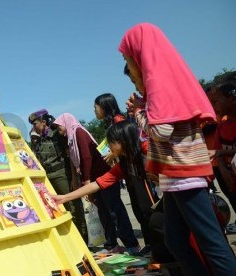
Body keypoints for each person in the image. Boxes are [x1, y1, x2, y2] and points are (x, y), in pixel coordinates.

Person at [120, 22, 236, 275]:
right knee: (176, 241)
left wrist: (138, 111)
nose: (129, 67)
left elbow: (161, 132)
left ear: (140, 57)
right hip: (176, 176)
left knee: (211, 243)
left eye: (128, 60)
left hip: (184, 173)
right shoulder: (163, 81)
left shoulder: (159, 82)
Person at [52, 113, 139, 254]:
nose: (107, 147)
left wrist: (86, 180)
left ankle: (132, 244)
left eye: (111, 142)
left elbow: (86, 157)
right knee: (104, 213)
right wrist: (64, 198)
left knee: (116, 212)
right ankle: (112, 245)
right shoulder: (121, 166)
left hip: (97, 176)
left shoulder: (78, 132)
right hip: (96, 178)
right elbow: (96, 184)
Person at [94, 94, 157, 256]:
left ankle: (154, 243)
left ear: (105, 106)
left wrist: (113, 155)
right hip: (127, 171)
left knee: (146, 207)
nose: (95, 111)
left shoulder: (119, 121)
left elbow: (129, 141)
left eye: (96, 107)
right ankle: (151, 243)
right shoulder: (111, 122)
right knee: (138, 208)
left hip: (133, 171)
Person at [28, 109, 88, 243]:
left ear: (44, 122)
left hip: (63, 176)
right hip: (47, 179)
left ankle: (83, 242)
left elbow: (71, 157)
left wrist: (73, 179)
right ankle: (71, 242)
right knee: (57, 210)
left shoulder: (57, 134)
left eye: (35, 124)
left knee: (73, 208)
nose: (33, 127)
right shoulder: (37, 139)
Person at [208, 79, 236, 233]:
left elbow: (219, 151)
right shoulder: (222, 127)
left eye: (216, 102)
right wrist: (223, 167)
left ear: (231, 98)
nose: (213, 107)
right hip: (230, 177)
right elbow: (218, 150)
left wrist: (222, 153)